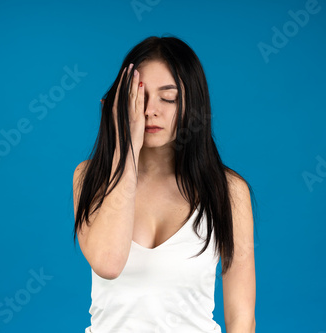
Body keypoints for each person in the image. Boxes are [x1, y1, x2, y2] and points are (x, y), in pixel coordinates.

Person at [73, 35, 257, 332]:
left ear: (191, 104)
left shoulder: (229, 190)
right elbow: (108, 263)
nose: (150, 111)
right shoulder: (90, 177)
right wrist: (126, 151)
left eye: (168, 98)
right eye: (139, 97)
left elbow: (242, 317)